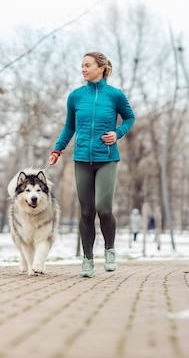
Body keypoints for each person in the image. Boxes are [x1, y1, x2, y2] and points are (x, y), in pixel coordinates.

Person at [48, 51, 135, 277]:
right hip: (82, 160)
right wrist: (58, 148)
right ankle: (87, 259)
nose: (83, 69)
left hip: (107, 159)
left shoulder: (115, 95)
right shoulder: (75, 97)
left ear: (101, 68)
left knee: (103, 209)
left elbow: (129, 118)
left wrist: (117, 134)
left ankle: (109, 249)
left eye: (87, 65)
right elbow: (69, 126)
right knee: (86, 211)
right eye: (82, 65)